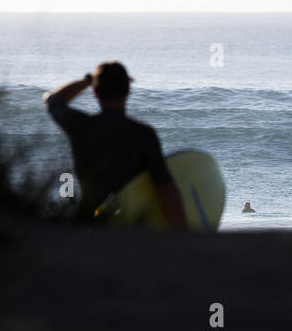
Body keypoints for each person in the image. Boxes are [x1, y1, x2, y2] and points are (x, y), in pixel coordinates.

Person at [44, 62, 188, 228]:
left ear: (95, 93)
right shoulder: (143, 134)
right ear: (128, 91)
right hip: (131, 228)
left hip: (90, 224)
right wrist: (183, 237)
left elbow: (52, 100)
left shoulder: (80, 126)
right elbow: (166, 190)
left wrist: (89, 80)